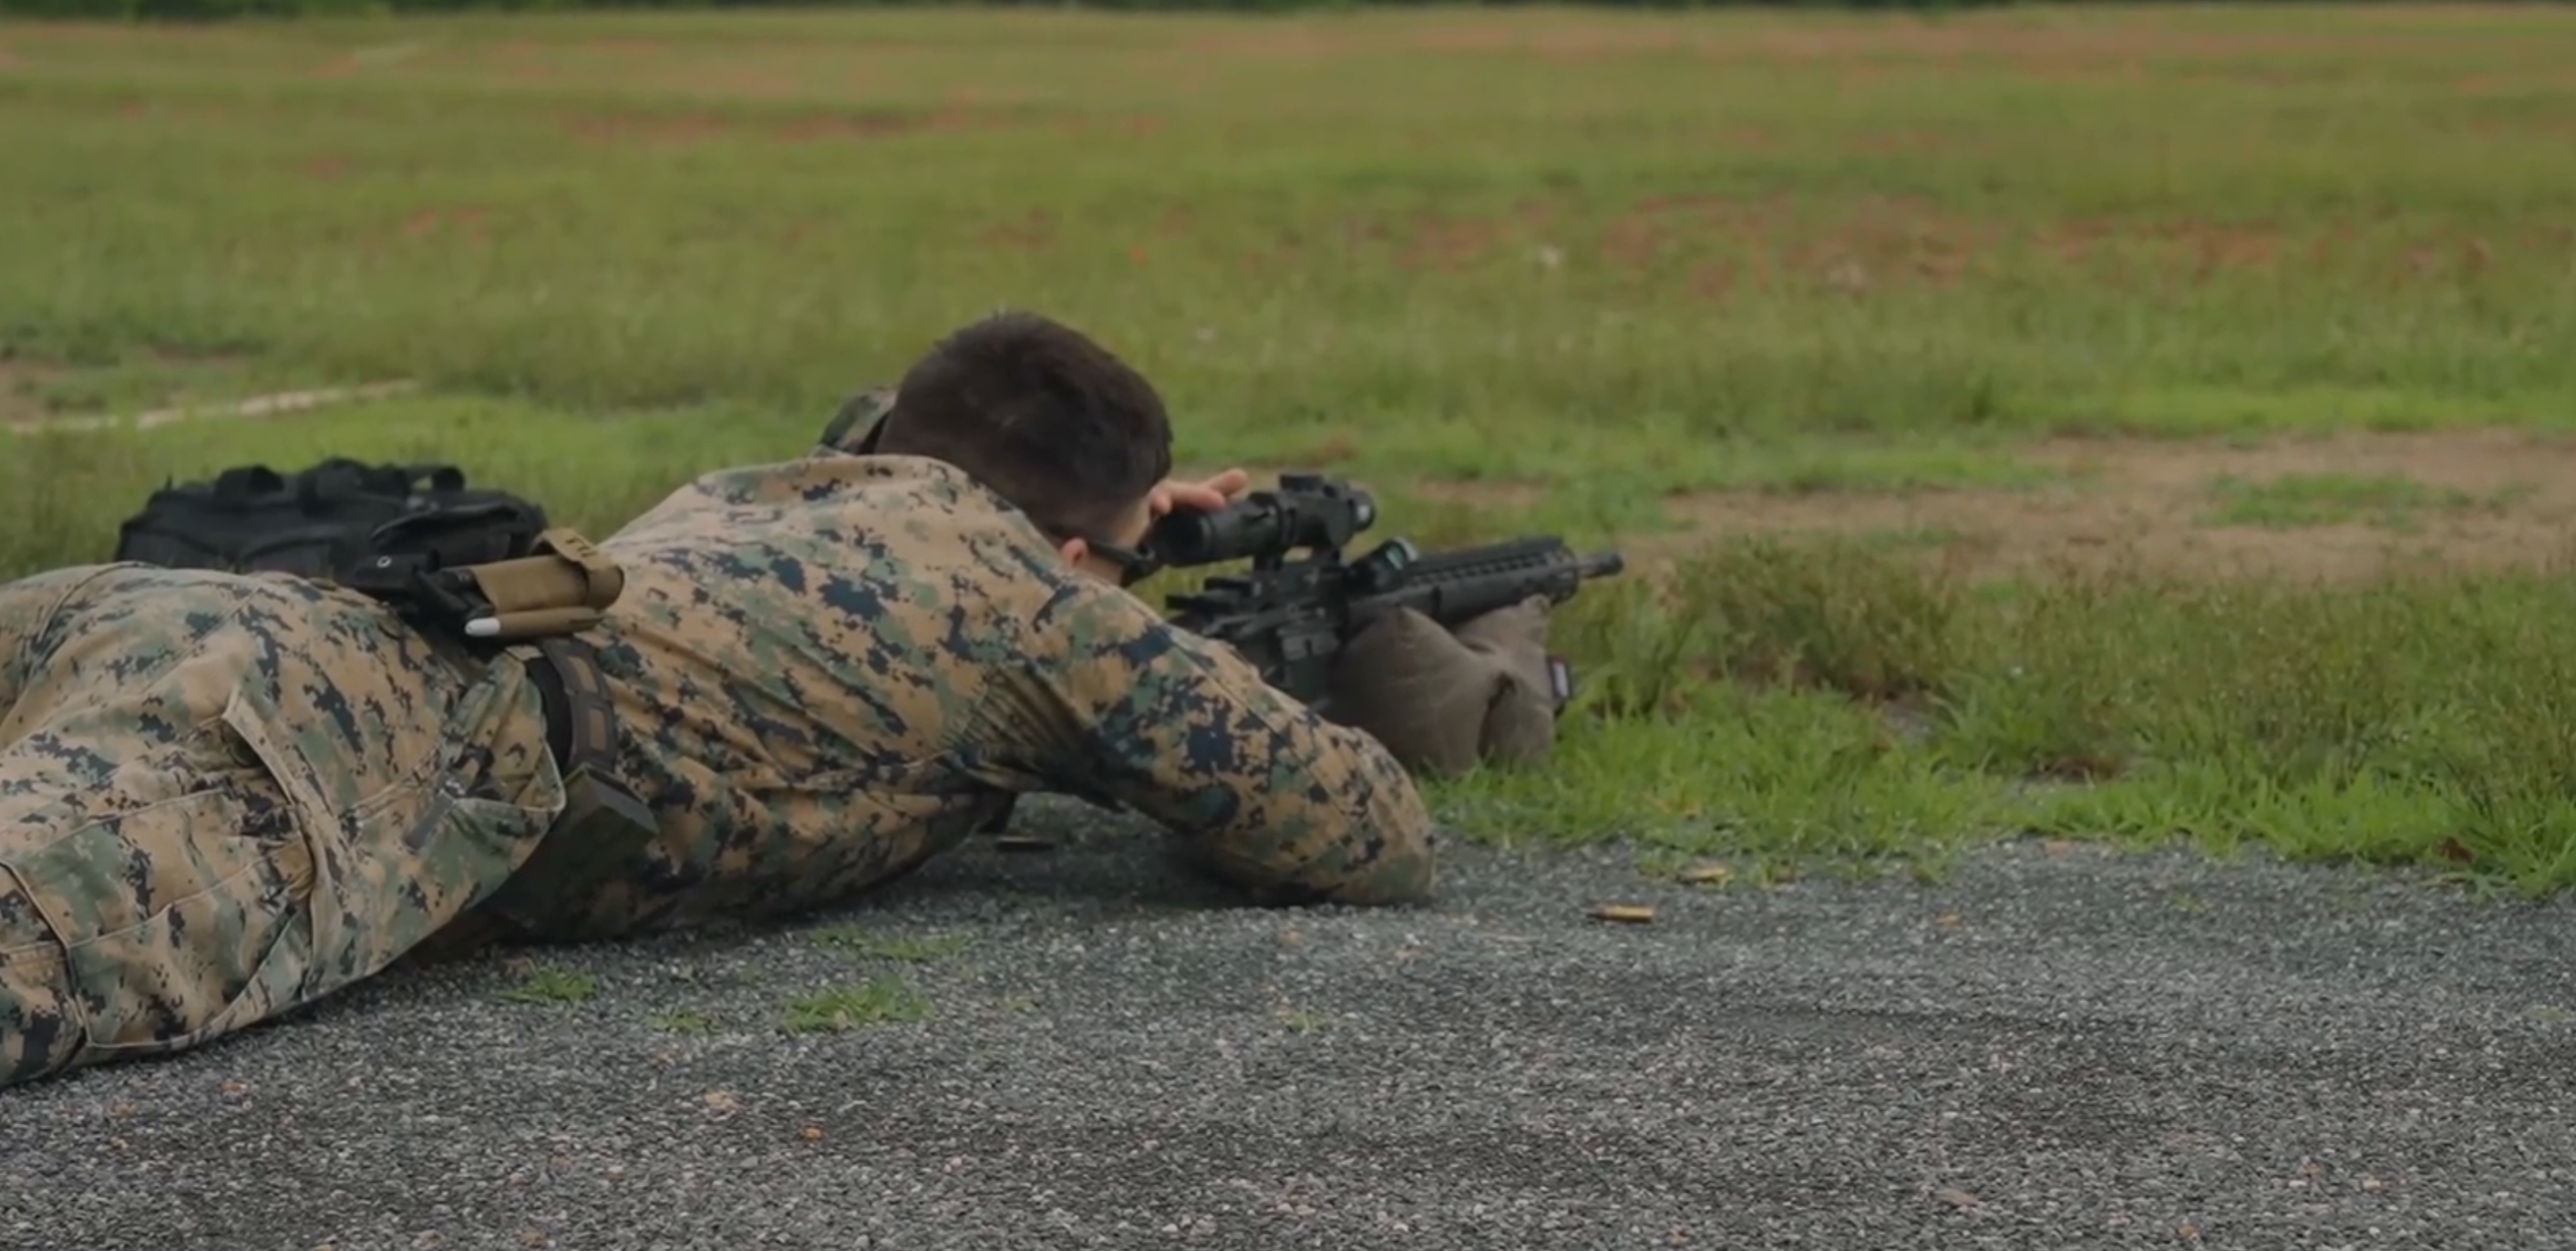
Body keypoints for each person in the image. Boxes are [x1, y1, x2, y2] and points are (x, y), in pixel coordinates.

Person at [0, 310, 1439, 1091]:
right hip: (351, 742)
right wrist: (1109, 595)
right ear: (1079, 548)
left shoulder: (747, 496)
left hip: (181, 621)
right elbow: (1361, 832)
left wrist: (1094, 539)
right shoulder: (1037, 606)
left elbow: (907, 457)